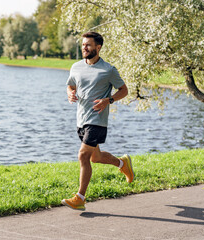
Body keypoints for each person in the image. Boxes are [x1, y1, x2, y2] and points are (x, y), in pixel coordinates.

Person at [61, 31, 134, 211]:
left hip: (97, 120)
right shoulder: (76, 67)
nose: (84, 48)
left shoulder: (108, 70)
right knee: (96, 157)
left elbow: (124, 90)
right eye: (83, 44)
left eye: (88, 45)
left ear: (98, 47)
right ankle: (123, 164)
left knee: (83, 155)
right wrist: (70, 93)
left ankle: (80, 198)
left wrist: (108, 100)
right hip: (81, 119)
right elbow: (70, 84)